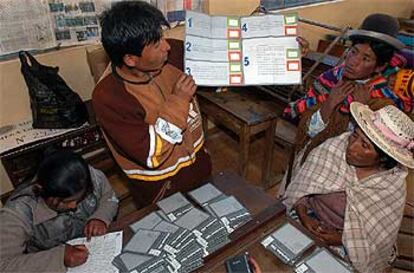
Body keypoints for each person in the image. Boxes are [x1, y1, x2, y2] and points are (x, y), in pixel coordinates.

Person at [92, 1, 212, 209]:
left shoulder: (172, 54)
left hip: (200, 172)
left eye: (162, 37)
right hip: (163, 191)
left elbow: (215, 62)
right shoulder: (109, 97)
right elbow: (151, 154)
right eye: (157, 44)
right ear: (130, 59)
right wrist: (179, 100)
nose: (167, 46)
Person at [278, 13, 412, 196]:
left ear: (379, 67)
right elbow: (305, 126)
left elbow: (377, 156)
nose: (353, 62)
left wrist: (362, 114)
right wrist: (329, 103)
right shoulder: (332, 78)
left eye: (366, 59)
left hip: (343, 182)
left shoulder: (384, 102)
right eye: (354, 51)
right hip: (308, 160)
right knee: (293, 197)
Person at [283, 102, 413, 272]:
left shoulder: (391, 186)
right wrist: (303, 215)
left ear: (383, 158)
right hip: (307, 217)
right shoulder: (333, 148)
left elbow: (375, 239)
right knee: (277, 253)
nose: (351, 147)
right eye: (355, 135)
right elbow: (302, 187)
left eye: (364, 146)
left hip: (349, 245)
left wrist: (340, 239)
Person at [0, 150, 119, 272]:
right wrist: (59, 258)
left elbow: (109, 196)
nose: (73, 206)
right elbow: (3, 266)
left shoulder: (85, 176)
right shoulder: (18, 212)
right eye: (64, 201)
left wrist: (100, 217)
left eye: (79, 199)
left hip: (96, 250)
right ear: (42, 190)